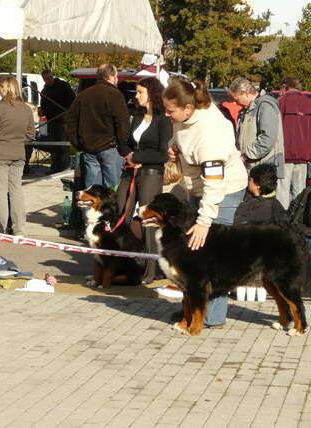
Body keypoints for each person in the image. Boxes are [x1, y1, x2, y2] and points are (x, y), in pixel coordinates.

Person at [163, 79, 248, 328]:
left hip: (225, 189)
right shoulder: (183, 117)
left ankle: (213, 315)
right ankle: (191, 310)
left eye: (170, 111)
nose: (167, 115)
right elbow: (179, 139)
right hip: (197, 187)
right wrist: (172, 149)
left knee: (214, 253)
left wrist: (204, 221)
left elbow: (214, 185)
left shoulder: (211, 132)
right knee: (193, 253)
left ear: (188, 109)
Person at [117, 77, 172, 285]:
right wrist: (129, 155)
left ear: (151, 93)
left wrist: (138, 158)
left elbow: (162, 155)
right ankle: (125, 263)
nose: (136, 96)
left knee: (149, 220)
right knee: (121, 213)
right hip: (129, 173)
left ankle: (152, 269)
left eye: (140, 92)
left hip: (151, 174)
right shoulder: (137, 116)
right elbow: (124, 143)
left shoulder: (163, 120)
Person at [0, 76, 35, 236]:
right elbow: (31, 135)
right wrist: (16, 140)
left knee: (0, 193)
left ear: (5, 88)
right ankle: (19, 229)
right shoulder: (26, 109)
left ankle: (0, 229)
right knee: (16, 191)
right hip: (18, 154)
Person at [64, 64, 129, 189]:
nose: (117, 79)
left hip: (89, 148)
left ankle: (94, 208)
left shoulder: (83, 95)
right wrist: (122, 144)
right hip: (110, 148)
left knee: (92, 193)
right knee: (113, 190)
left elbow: (69, 119)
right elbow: (123, 122)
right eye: (116, 76)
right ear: (111, 76)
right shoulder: (114, 94)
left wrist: (77, 142)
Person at [228, 77, 287, 208]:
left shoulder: (265, 106)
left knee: (264, 209)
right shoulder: (249, 109)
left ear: (246, 93)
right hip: (253, 167)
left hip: (264, 169)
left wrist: (246, 155)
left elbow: (267, 138)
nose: (236, 103)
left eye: (237, 99)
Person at [278, 77, 311, 207]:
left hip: (284, 153)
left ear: (285, 87)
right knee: (300, 191)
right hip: (304, 155)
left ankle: (282, 221)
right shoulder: (309, 103)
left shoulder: (281, 102)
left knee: (282, 190)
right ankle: (298, 220)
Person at [40, 69, 76, 172]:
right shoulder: (44, 91)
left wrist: (67, 113)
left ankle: (64, 165)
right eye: (46, 79)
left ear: (52, 76)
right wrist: (42, 111)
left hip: (63, 119)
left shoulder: (63, 86)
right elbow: (43, 107)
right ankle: (55, 165)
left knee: (62, 143)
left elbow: (72, 100)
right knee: (53, 143)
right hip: (51, 121)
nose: (48, 80)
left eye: (50, 77)